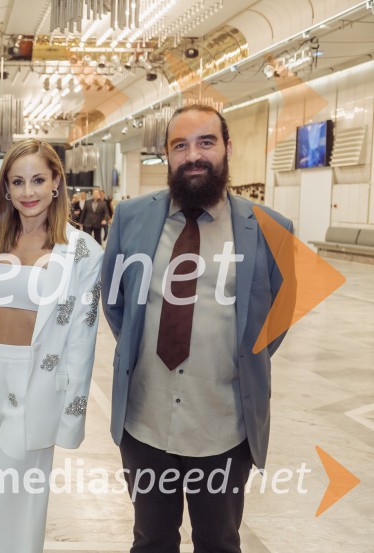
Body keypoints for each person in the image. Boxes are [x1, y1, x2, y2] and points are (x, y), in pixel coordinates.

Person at [101, 104, 294, 553]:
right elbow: (115, 301)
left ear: (228, 148)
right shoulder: (131, 219)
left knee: (219, 542)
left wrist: (242, 357)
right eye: (179, 145)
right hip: (145, 423)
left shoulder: (269, 229)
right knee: (151, 540)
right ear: (166, 155)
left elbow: (279, 314)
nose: (193, 155)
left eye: (206, 142)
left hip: (223, 424)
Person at [0, 139, 103, 553]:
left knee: (23, 500)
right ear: (6, 190)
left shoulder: (83, 251)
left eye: (37, 180)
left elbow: (82, 340)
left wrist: (71, 419)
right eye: (17, 182)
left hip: (39, 385)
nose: (27, 192)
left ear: (55, 184)